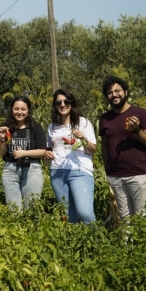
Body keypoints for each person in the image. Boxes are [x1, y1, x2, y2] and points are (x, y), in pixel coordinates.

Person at [99, 76, 146, 219]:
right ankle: (126, 242)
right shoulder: (105, 119)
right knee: (124, 218)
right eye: (110, 92)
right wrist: (108, 170)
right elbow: (105, 146)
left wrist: (137, 131)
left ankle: (142, 242)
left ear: (126, 91)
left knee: (142, 217)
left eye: (117, 90)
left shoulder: (141, 114)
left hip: (138, 174)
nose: (114, 94)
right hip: (116, 176)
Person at [44, 89, 97, 224]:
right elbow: (47, 152)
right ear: (55, 106)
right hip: (57, 172)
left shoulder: (83, 122)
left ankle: (95, 244)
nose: (63, 105)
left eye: (66, 101)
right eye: (58, 102)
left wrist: (83, 139)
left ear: (71, 103)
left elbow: (92, 150)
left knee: (85, 213)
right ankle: (71, 244)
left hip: (79, 171)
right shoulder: (52, 126)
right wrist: (47, 156)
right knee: (67, 217)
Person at [0, 96, 47, 211]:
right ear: (11, 110)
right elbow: (1, 153)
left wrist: (24, 153)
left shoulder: (36, 127)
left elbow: (42, 151)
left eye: (23, 109)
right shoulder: (5, 127)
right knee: (14, 210)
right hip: (10, 170)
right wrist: (1, 139)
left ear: (28, 111)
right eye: (16, 109)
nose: (19, 112)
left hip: (32, 169)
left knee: (31, 208)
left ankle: (31, 229)